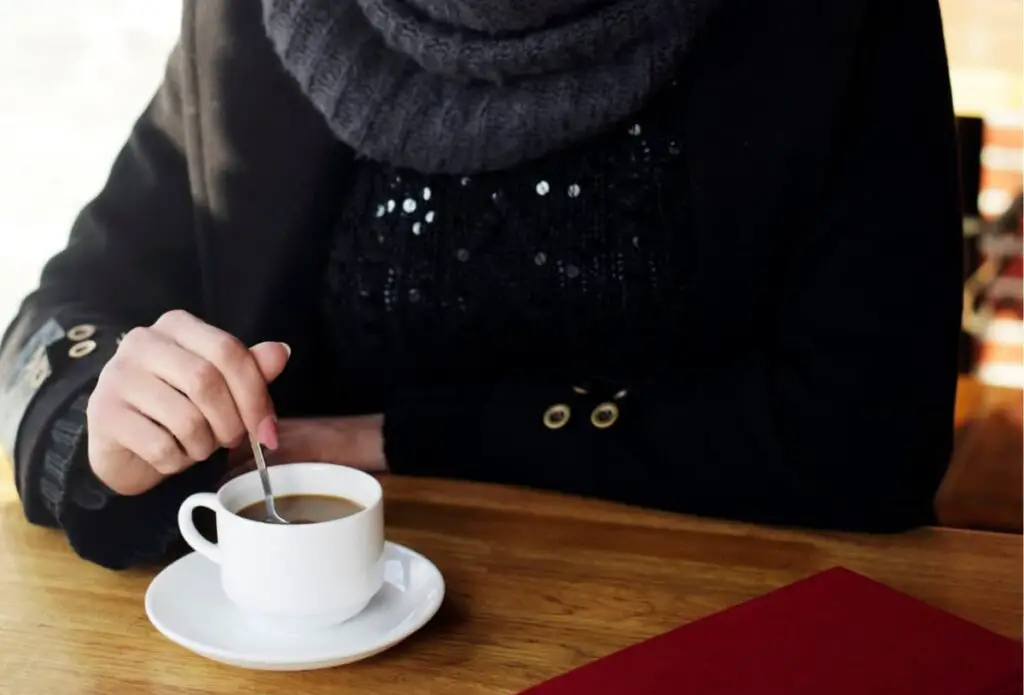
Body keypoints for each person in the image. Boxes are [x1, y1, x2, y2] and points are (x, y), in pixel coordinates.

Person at [0, 0, 963, 570]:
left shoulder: (838, 19)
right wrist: (115, 422)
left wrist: (400, 439)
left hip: (704, 631)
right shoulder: (255, 17)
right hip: (309, 651)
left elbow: (869, 440)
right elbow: (59, 320)